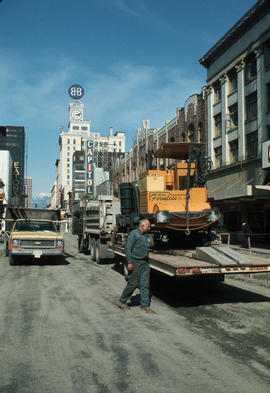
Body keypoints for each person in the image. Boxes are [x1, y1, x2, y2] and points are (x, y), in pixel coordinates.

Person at [118, 219, 155, 314]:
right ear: (142, 226)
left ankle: (144, 306)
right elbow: (128, 248)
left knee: (145, 284)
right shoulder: (134, 234)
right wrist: (129, 262)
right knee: (133, 283)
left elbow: (151, 244)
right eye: (148, 226)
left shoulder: (146, 235)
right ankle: (122, 301)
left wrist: (149, 238)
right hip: (135, 262)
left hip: (145, 263)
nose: (149, 228)